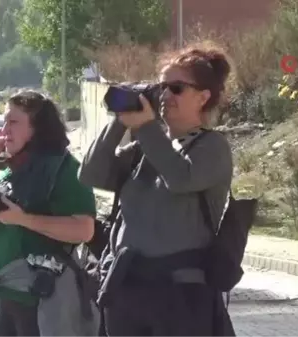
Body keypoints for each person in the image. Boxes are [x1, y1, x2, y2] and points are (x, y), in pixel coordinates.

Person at [79, 41, 235, 337]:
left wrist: (146, 127)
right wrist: (120, 120)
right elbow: (91, 174)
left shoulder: (212, 147)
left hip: (180, 294)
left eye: (176, 88)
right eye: (160, 87)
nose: (165, 95)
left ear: (203, 97)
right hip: (127, 289)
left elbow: (180, 178)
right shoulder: (144, 149)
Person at [0, 90, 98, 337]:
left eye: (13, 122)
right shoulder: (14, 170)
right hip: (6, 297)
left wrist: (21, 219)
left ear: (38, 128)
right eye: (4, 121)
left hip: (43, 302)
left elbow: (84, 229)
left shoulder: (64, 169)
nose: (4, 130)